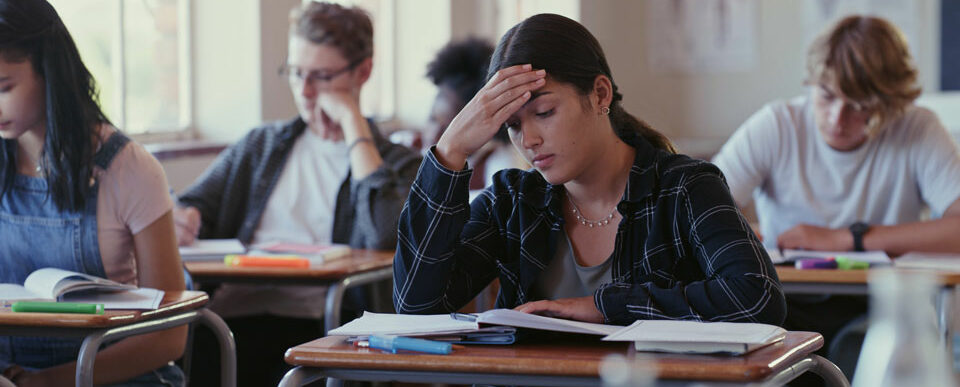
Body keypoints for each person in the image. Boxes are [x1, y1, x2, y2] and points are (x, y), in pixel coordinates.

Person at [393, 13, 786, 326]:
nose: (528, 139)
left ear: (600, 94)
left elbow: (758, 298)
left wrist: (607, 306)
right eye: (511, 124)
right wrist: (450, 151)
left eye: (544, 112)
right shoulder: (512, 201)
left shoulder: (685, 187)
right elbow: (415, 306)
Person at [173, 2, 420, 386]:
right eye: (296, 72)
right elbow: (195, 203)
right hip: (233, 317)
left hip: (326, 322)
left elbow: (384, 234)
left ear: (363, 72)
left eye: (321, 76)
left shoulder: (399, 163)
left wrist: (353, 123)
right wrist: (184, 215)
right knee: (187, 354)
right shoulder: (263, 145)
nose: (304, 91)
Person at [712, 15, 960, 378]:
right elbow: (699, 210)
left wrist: (848, 239)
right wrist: (743, 236)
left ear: (890, 102)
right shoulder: (778, 125)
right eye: (827, 96)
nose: (837, 118)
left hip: (876, 305)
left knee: (864, 353)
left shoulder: (917, 128)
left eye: (859, 106)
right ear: (811, 83)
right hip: (783, 301)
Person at [0, 0, 187, 385]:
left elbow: (169, 334)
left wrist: (48, 382)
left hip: (111, 375)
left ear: (49, 71)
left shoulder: (129, 169)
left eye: (4, 87)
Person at [425, 37, 526, 189]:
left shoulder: (500, 169)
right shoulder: (409, 149)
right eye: (432, 119)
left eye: (448, 128)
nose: (433, 135)